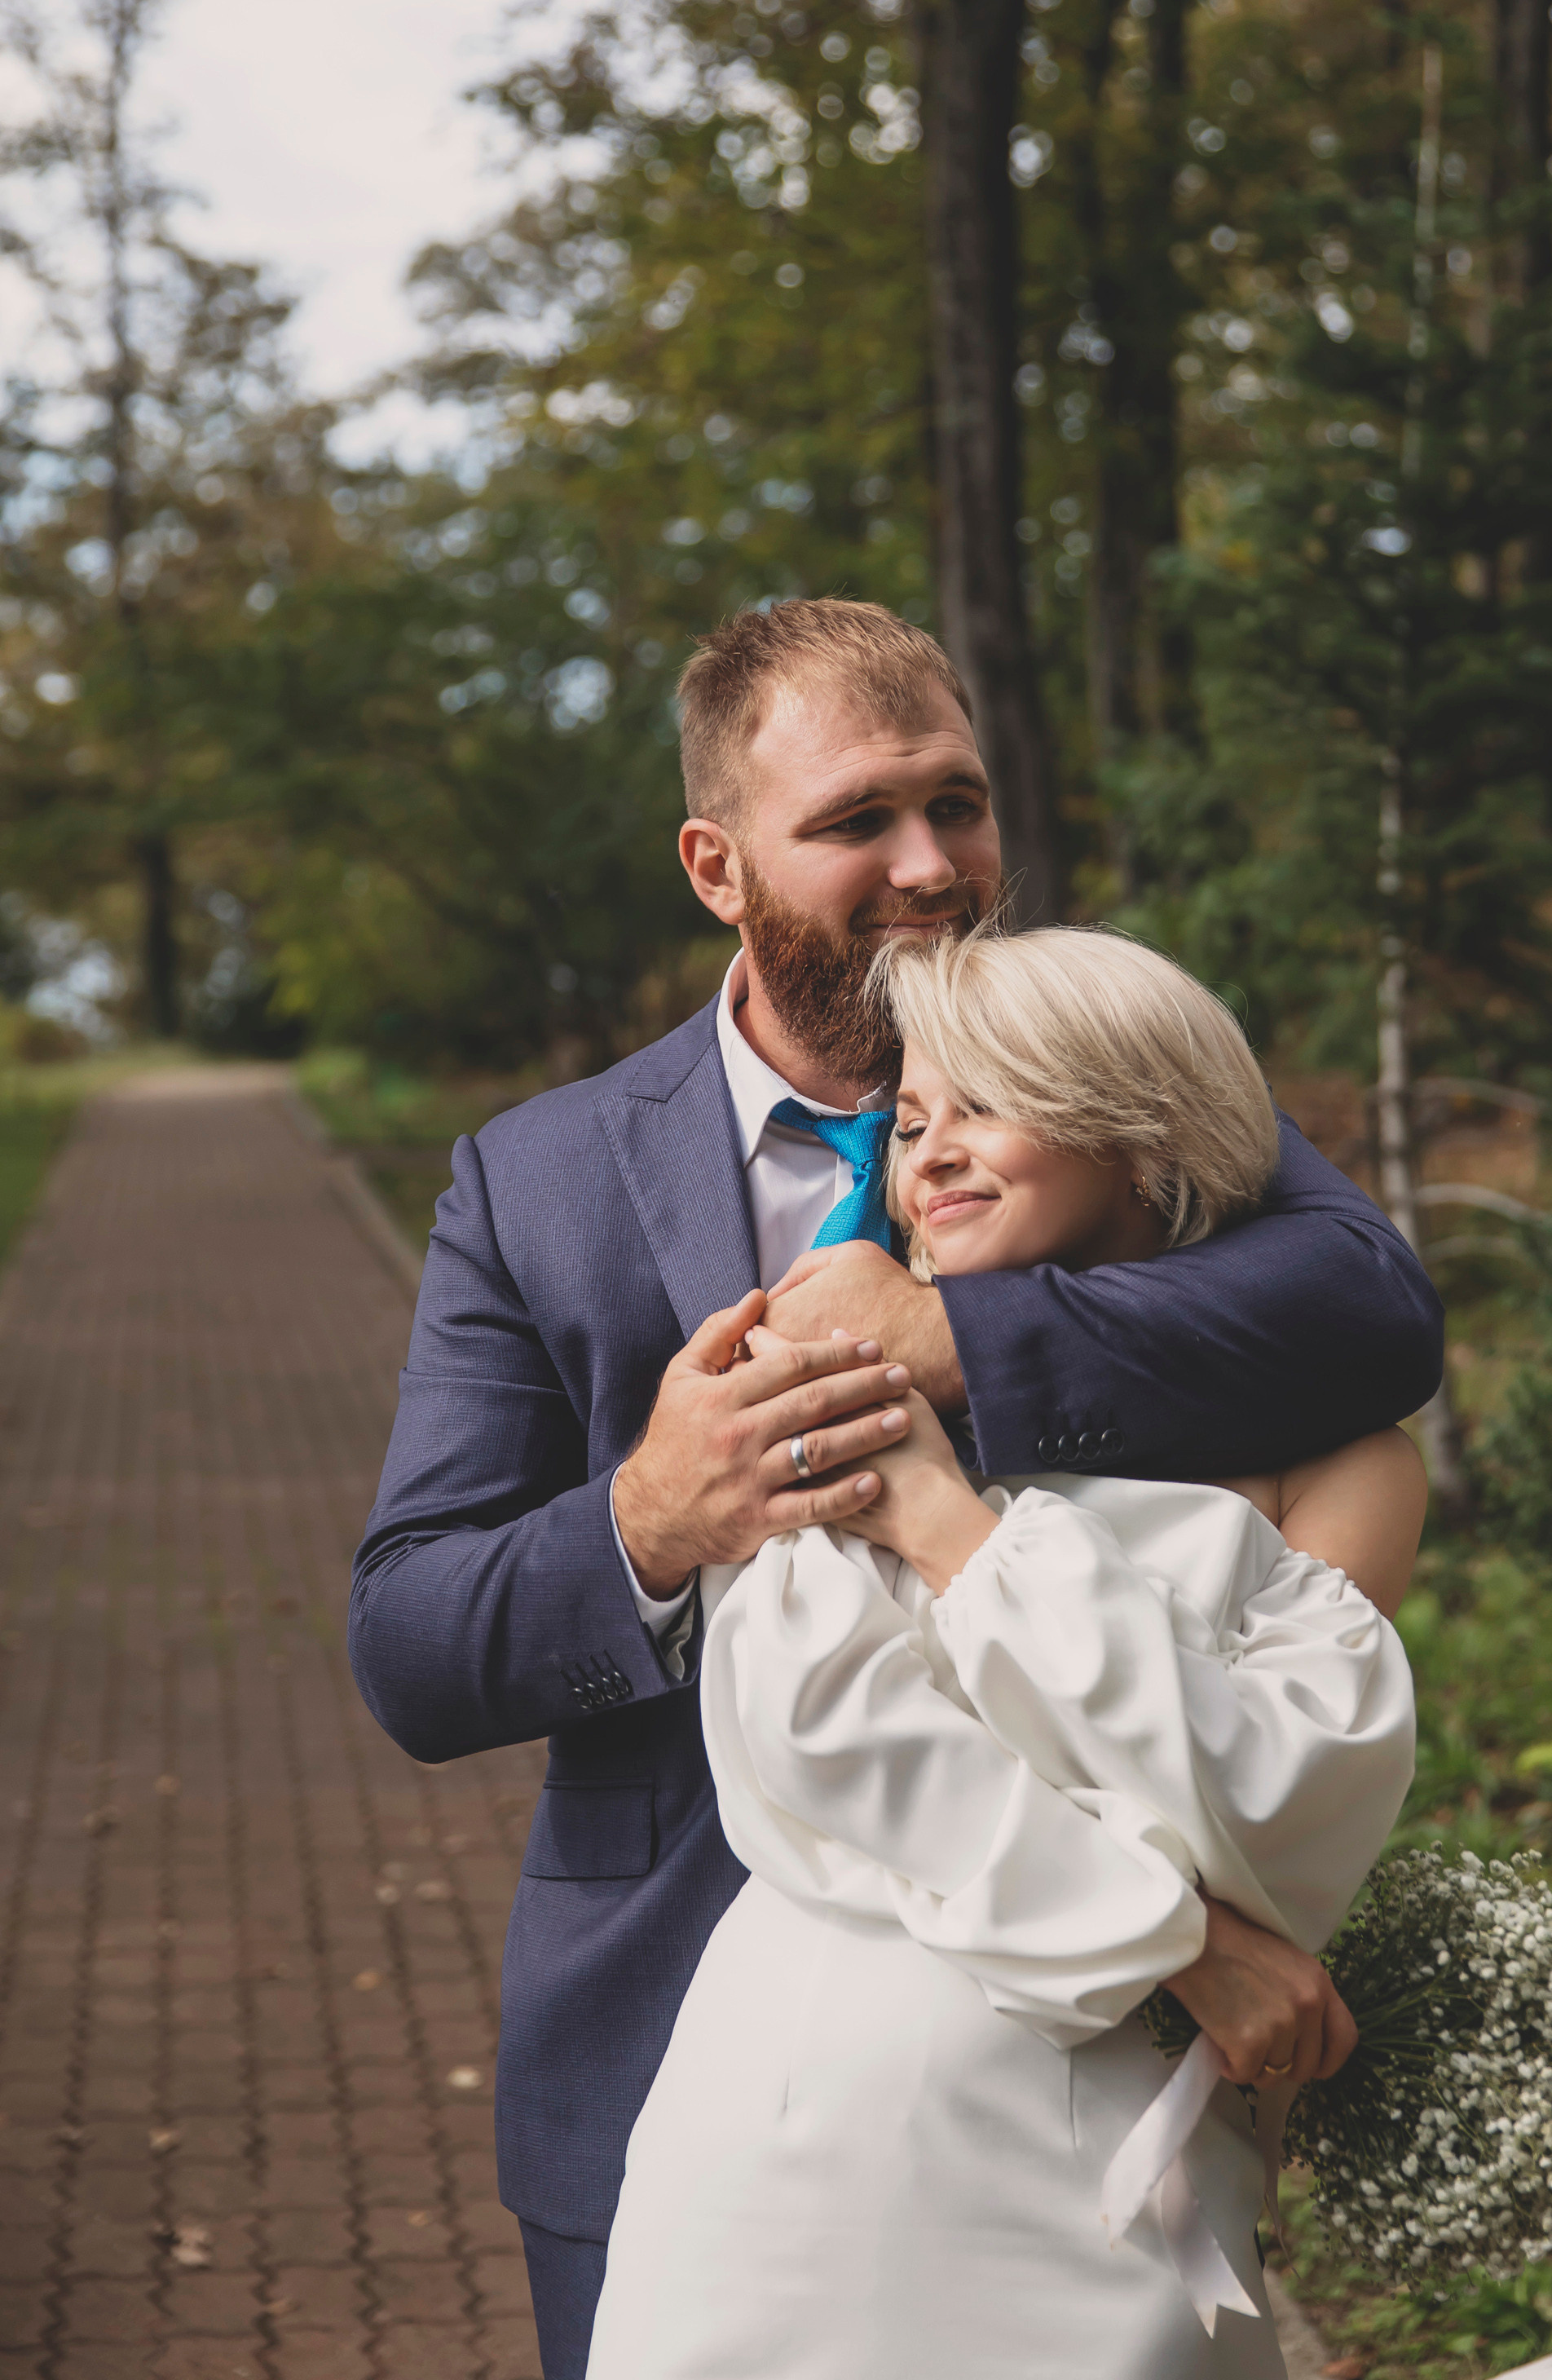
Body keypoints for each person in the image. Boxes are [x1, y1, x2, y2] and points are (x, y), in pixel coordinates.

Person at [348, 598, 1442, 2380]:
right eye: (859, 821)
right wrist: (655, 1515)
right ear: (718, 863)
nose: (933, 866)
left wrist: (945, 1341)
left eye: (961, 802)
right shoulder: (533, 1183)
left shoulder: (1096, 1081)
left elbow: (1368, 1309)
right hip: (667, 2060)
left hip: (1071, 2107)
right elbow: (409, 1636)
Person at [588, 923, 1423, 2378]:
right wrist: (1183, 1943)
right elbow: (833, 1747)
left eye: (989, 1105)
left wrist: (950, 1533)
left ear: (1142, 1132)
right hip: (810, 2129)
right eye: (914, 1121)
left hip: (1119, 2184)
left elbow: (1278, 1804)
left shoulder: (1343, 1458)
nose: (931, 1156)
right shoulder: (823, 1376)